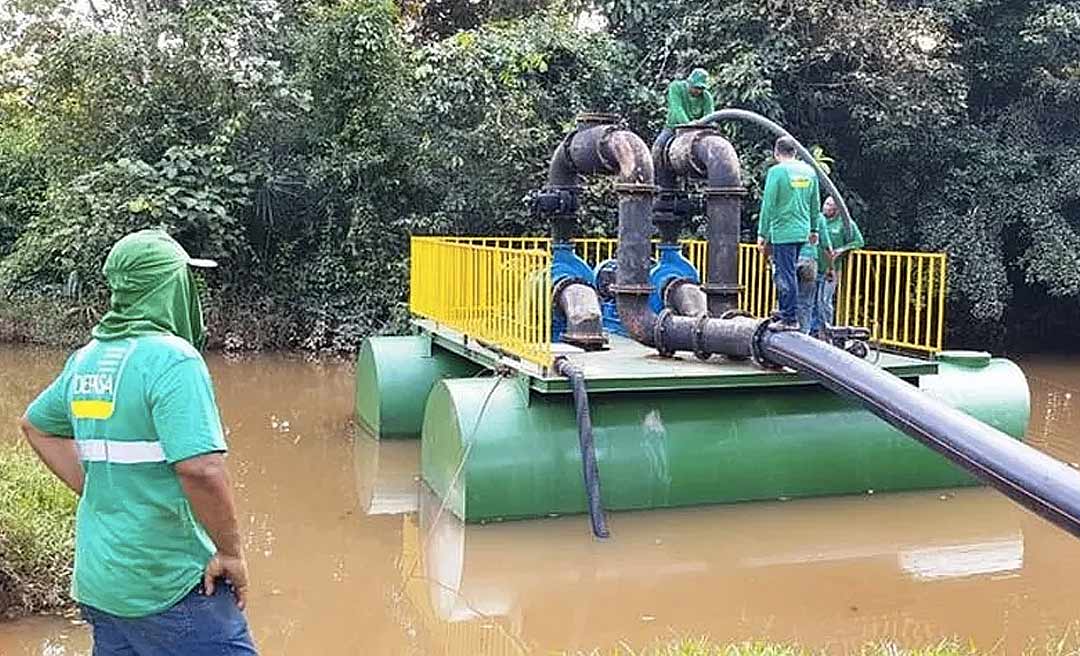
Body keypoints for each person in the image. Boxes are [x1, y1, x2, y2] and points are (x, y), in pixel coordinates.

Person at [19, 230, 257, 655]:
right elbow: (201, 469)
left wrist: (101, 489)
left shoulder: (87, 358)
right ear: (169, 287)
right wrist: (230, 553)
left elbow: (37, 426)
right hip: (167, 580)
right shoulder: (174, 359)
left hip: (103, 583)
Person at [757, 135, 821, 331]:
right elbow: (815, 202)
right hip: (802, 231)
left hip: (783, 231)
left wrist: (762, 233)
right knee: (789, 272)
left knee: (785, 275)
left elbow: (768, 204)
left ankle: (789, 318)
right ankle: (786, 311)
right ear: (795, 152)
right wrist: (814, 228)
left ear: (776, 153)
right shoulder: (809, 171)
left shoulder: (777, 172)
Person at [813, 195, 865, 335]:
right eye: (825, 204)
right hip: (814, 265)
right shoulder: (818, 219)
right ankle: (813, 330)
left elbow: (859, 242)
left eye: (830, 205)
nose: (826, 207)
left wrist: (841, 250)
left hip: (832, 268)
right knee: (811, 300)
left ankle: (827, 330)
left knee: (824, 301)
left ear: (837, 209)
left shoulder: (845, 223)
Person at [653, 68, 716, 164]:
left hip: (699, 130)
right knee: (657, 148)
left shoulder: (707, 97)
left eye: (701, 88)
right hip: (674, 128)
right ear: (689, 83)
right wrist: (688, 124)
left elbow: (709, 116)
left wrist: (701, 127)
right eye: (696, 87)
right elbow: (677, 109)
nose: (698, 91)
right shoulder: (676, 88)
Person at [796, 211, 833, 334]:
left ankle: (786, 332)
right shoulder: (818, 217)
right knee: (806, 302)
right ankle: (803, 333)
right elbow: (827, 247)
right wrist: (830, 268)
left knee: (787, 298)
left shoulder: (790, 212)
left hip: (789, 259)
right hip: (809, 260)